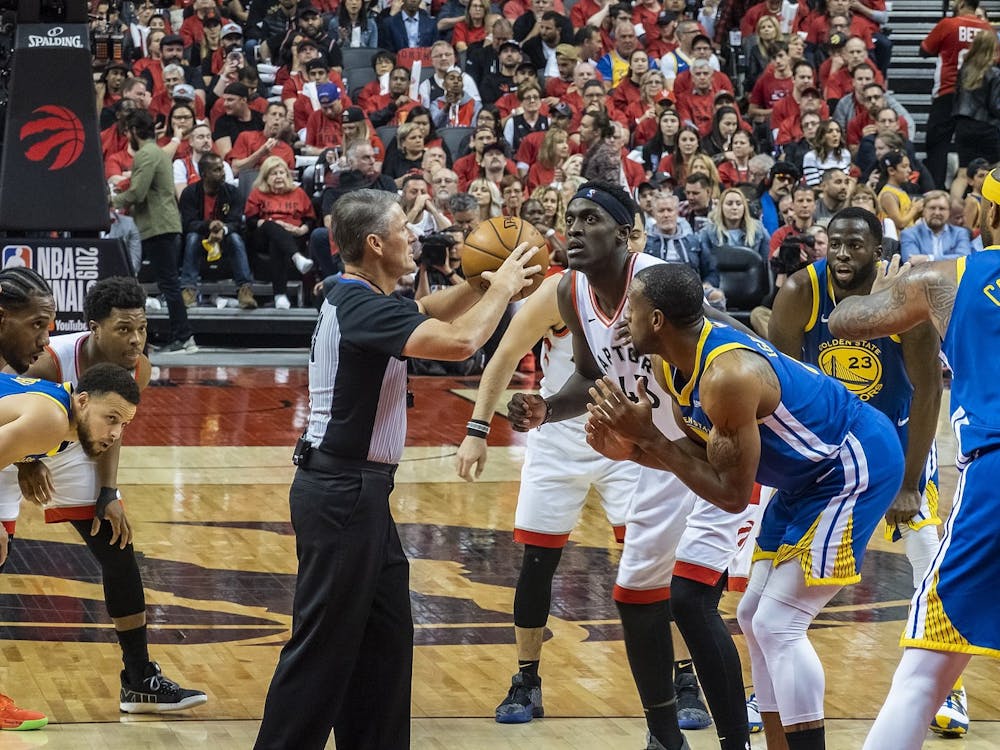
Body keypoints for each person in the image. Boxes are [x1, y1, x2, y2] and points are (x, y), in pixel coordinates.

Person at [252, 188, 542, 750]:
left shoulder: (361, 297)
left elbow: (431, 311)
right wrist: (502, 289)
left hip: (359, 494)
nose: (414, 236)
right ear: (375, 243)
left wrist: (479, 285)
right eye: (402, 229)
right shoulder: (359, 302)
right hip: (341, 493)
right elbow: (458, 342)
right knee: (323, 646)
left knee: (384, 643)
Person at [584, 261, 904, 750]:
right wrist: (633, 451)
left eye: (633, 307)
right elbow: (701, 458)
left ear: (657, 321)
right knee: (755, 616)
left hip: (853, 461)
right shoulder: (674, 365)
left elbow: (733, 496)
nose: (623, 317)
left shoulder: (726, 376)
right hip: (806, 475)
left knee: (781, 622)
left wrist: (648, 436)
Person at [507, 181, 754, 750]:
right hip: (661, 459)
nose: (574, 228)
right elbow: (593, 373)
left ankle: (735, 738)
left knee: (694, 600)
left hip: (719, 448)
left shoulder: (659, 281)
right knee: (636, 593)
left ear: (625, 232)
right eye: (569, 217)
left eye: (590, 218)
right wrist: (548, 408)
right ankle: (665, 738)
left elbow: (737, 337)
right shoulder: (571, 291)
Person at [769, 207, 969, 736]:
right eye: (835, 243)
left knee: (929, 556)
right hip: (829, 444)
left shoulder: (905, 299)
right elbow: (782, 384)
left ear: (878, 254)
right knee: (767, 566)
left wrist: (908, 483)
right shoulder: (799, 293)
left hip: (900, 439)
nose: (842, 254)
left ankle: (951, 688)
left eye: (855, 246)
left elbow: (929, 392)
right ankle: (766, 690)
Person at [829, 168, 1000, 750]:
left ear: (984, 218)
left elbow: (843, 321)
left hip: (995, 476)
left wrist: (891, 282)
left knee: (925, 667)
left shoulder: (945, 277)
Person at [6, 277, 208, 715]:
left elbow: (111, 431)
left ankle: (139, 678)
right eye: (123, 329)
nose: (135, 340)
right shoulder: (49, 359)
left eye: (142, 329)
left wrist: (109, 491)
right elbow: (11, 404)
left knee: (117, 543)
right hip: (29, 434)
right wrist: (26, 459)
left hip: (72, 440)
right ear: (94, 328)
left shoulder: (140, 368)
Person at [111, 109, 195, 353]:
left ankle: (184, 337)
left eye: (128, 131)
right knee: (167, 282)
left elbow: (137, 192)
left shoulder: (146, 154)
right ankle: (179, 335)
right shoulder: (155, 152)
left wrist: (112, 201)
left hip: (158, 226)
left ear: (135, 131)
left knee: (168, 283)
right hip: (161, 224)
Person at [179, 153, 258, 310]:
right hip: (201, 239)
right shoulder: (189, 193)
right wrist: (209, 226)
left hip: (225, 239)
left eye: (222, 168)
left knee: (236, 238)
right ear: (204, 174)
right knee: (192, 237)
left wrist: (223, 229)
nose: (222, 173)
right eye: (217, 170)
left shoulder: (232, 192)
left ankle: (245, 290)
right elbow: (188, 224)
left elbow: (237, 222)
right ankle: (188, 289)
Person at [244, 156, 317, 310]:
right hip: (262, 237)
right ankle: (297, 258)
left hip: (294, 236)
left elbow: (310, 220)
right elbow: (250, 221)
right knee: (273, 227)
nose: (278, 177)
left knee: (277, 243)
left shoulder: (298, 193)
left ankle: (280, 295)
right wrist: (274, 224)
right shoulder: (258, 194)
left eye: (282, 173)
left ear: (288, 175)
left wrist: (301, 230)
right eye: (273, 173)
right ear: (265, 178)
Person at [899, 191, 974, 263]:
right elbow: (911, 262)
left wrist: (929, 258)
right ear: (923, 210)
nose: (937, 213)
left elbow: (965, 259)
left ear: (949, 212)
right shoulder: (909, 234)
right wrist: (951, 258)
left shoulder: (960, 233)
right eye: (932, 208)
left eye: (942, 209)